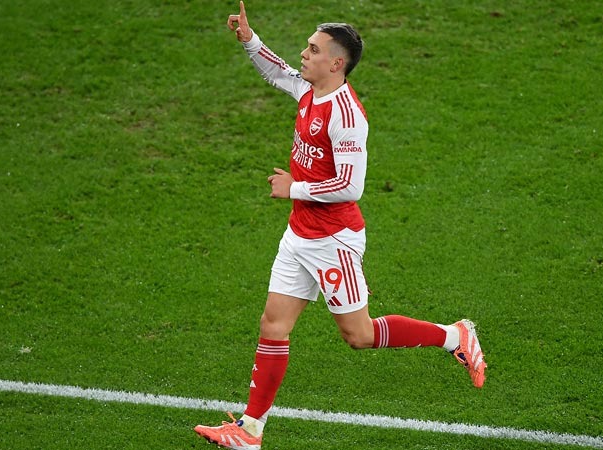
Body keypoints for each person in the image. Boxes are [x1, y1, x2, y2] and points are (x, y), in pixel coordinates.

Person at [194, 2, 486, 448]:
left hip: (334, 240)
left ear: (336, 64)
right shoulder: (309, 91)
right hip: (299, 235)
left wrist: (293, 188)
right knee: (273, 326)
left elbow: (351, 186)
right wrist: (249, 40)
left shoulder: (346, 116)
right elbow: (278, 73)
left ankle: (453, 336)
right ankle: (250, 431)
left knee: (359, 335)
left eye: (313, 49)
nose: (304, 53)